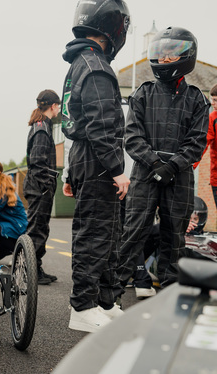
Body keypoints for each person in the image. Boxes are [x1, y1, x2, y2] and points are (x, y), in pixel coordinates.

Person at [114, 27, 209, 304]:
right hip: (145, 173)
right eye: (162, 54)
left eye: (172, 54)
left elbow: (197, 141)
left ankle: (169, 300)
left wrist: (172, 166)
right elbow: (131, 137)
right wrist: (155, 163)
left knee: (174, 237)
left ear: (186, 56)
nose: (165, 59)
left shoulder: (197, 99)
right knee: (134, 233)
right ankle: (110, 298)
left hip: (178, 177)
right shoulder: (143, 94)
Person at [61, 0, 131, 332]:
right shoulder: (96, 65)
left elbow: (74, 120)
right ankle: (83, 307)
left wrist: (69, 171)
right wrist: (118, 170)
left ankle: (105, 301)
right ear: (115, 26)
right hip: (98, 159)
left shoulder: (79, 63)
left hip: (84, 158)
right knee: (96, 233)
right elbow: (102, 124)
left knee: (108, 232)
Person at [24, 89, 61, 284]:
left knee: (39, 228)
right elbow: (38, 163)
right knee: (37, 229)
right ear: (53, 106)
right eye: (58, 106)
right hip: (39, 188)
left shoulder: (41, 126)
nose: (59, 109)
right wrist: (47, 186)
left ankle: (34, 268)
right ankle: (31, 271)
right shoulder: (42, 128)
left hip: (38, 187)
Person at [194, 84, 217, 208]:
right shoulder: (212, 118)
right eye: (211, 99)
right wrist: (191, 166)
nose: (212, 103)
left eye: (215, 100)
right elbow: (202, 144)